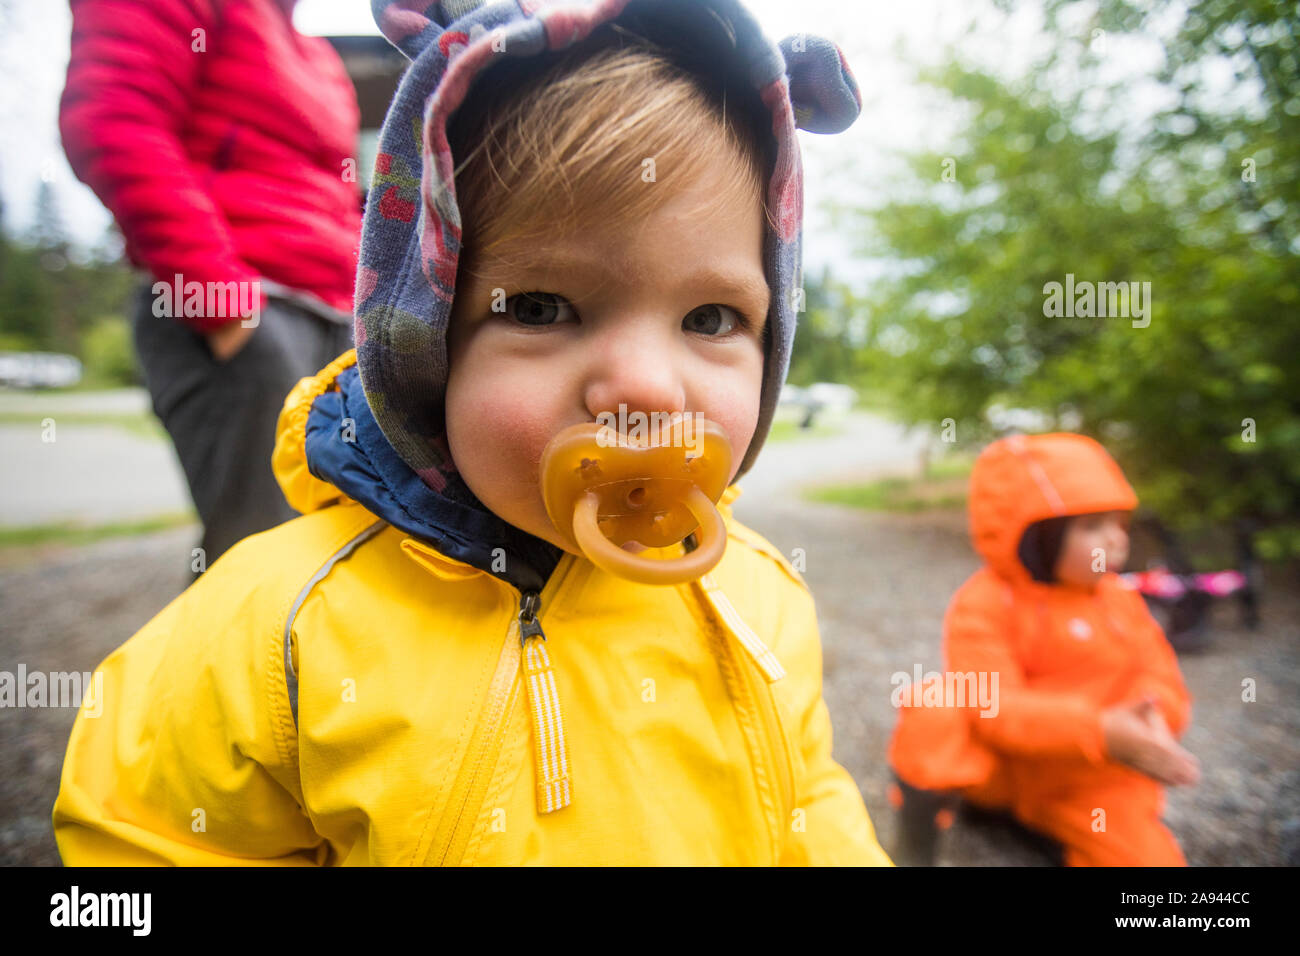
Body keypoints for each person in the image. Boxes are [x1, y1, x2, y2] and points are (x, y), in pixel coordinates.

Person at [51, 0, 892, 865]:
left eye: (711, 316)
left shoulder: (758, 598)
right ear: (425, 344)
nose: (645, 383)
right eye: (540, 307)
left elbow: (810, 800)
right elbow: (141, 836)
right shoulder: (278, 629)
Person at [58, 0, 362, 567]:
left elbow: (337, 194)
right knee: (260, 555)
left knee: (340, 544)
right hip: (246, 314)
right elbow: (116, 120)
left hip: (336, 319)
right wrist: (227, 310)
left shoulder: (314, 52)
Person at [887, 432, 1200, 866]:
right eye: (1092, 526)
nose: (1116, 540)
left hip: (1090, 780)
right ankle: (915, 844)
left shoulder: (1120, 599)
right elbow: (994, 707)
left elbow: (1162, 680)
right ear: (1035, 536)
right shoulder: (986, 601)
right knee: (936, 705)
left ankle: (1044, 826)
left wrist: (1152, 722)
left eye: (1119, 522)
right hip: (1006, 768)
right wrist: (1097, 728)